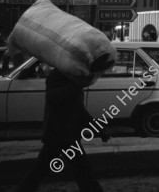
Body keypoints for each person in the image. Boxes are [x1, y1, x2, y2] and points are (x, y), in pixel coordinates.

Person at [18, 58, 114, 192]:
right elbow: (54, 97)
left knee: (79, 172)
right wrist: (76, 86)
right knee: (81, 172)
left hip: (66, 135)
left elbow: (80, 111)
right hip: (58, 134)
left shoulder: (74, 79)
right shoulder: (57, 76)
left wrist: (99, 130)